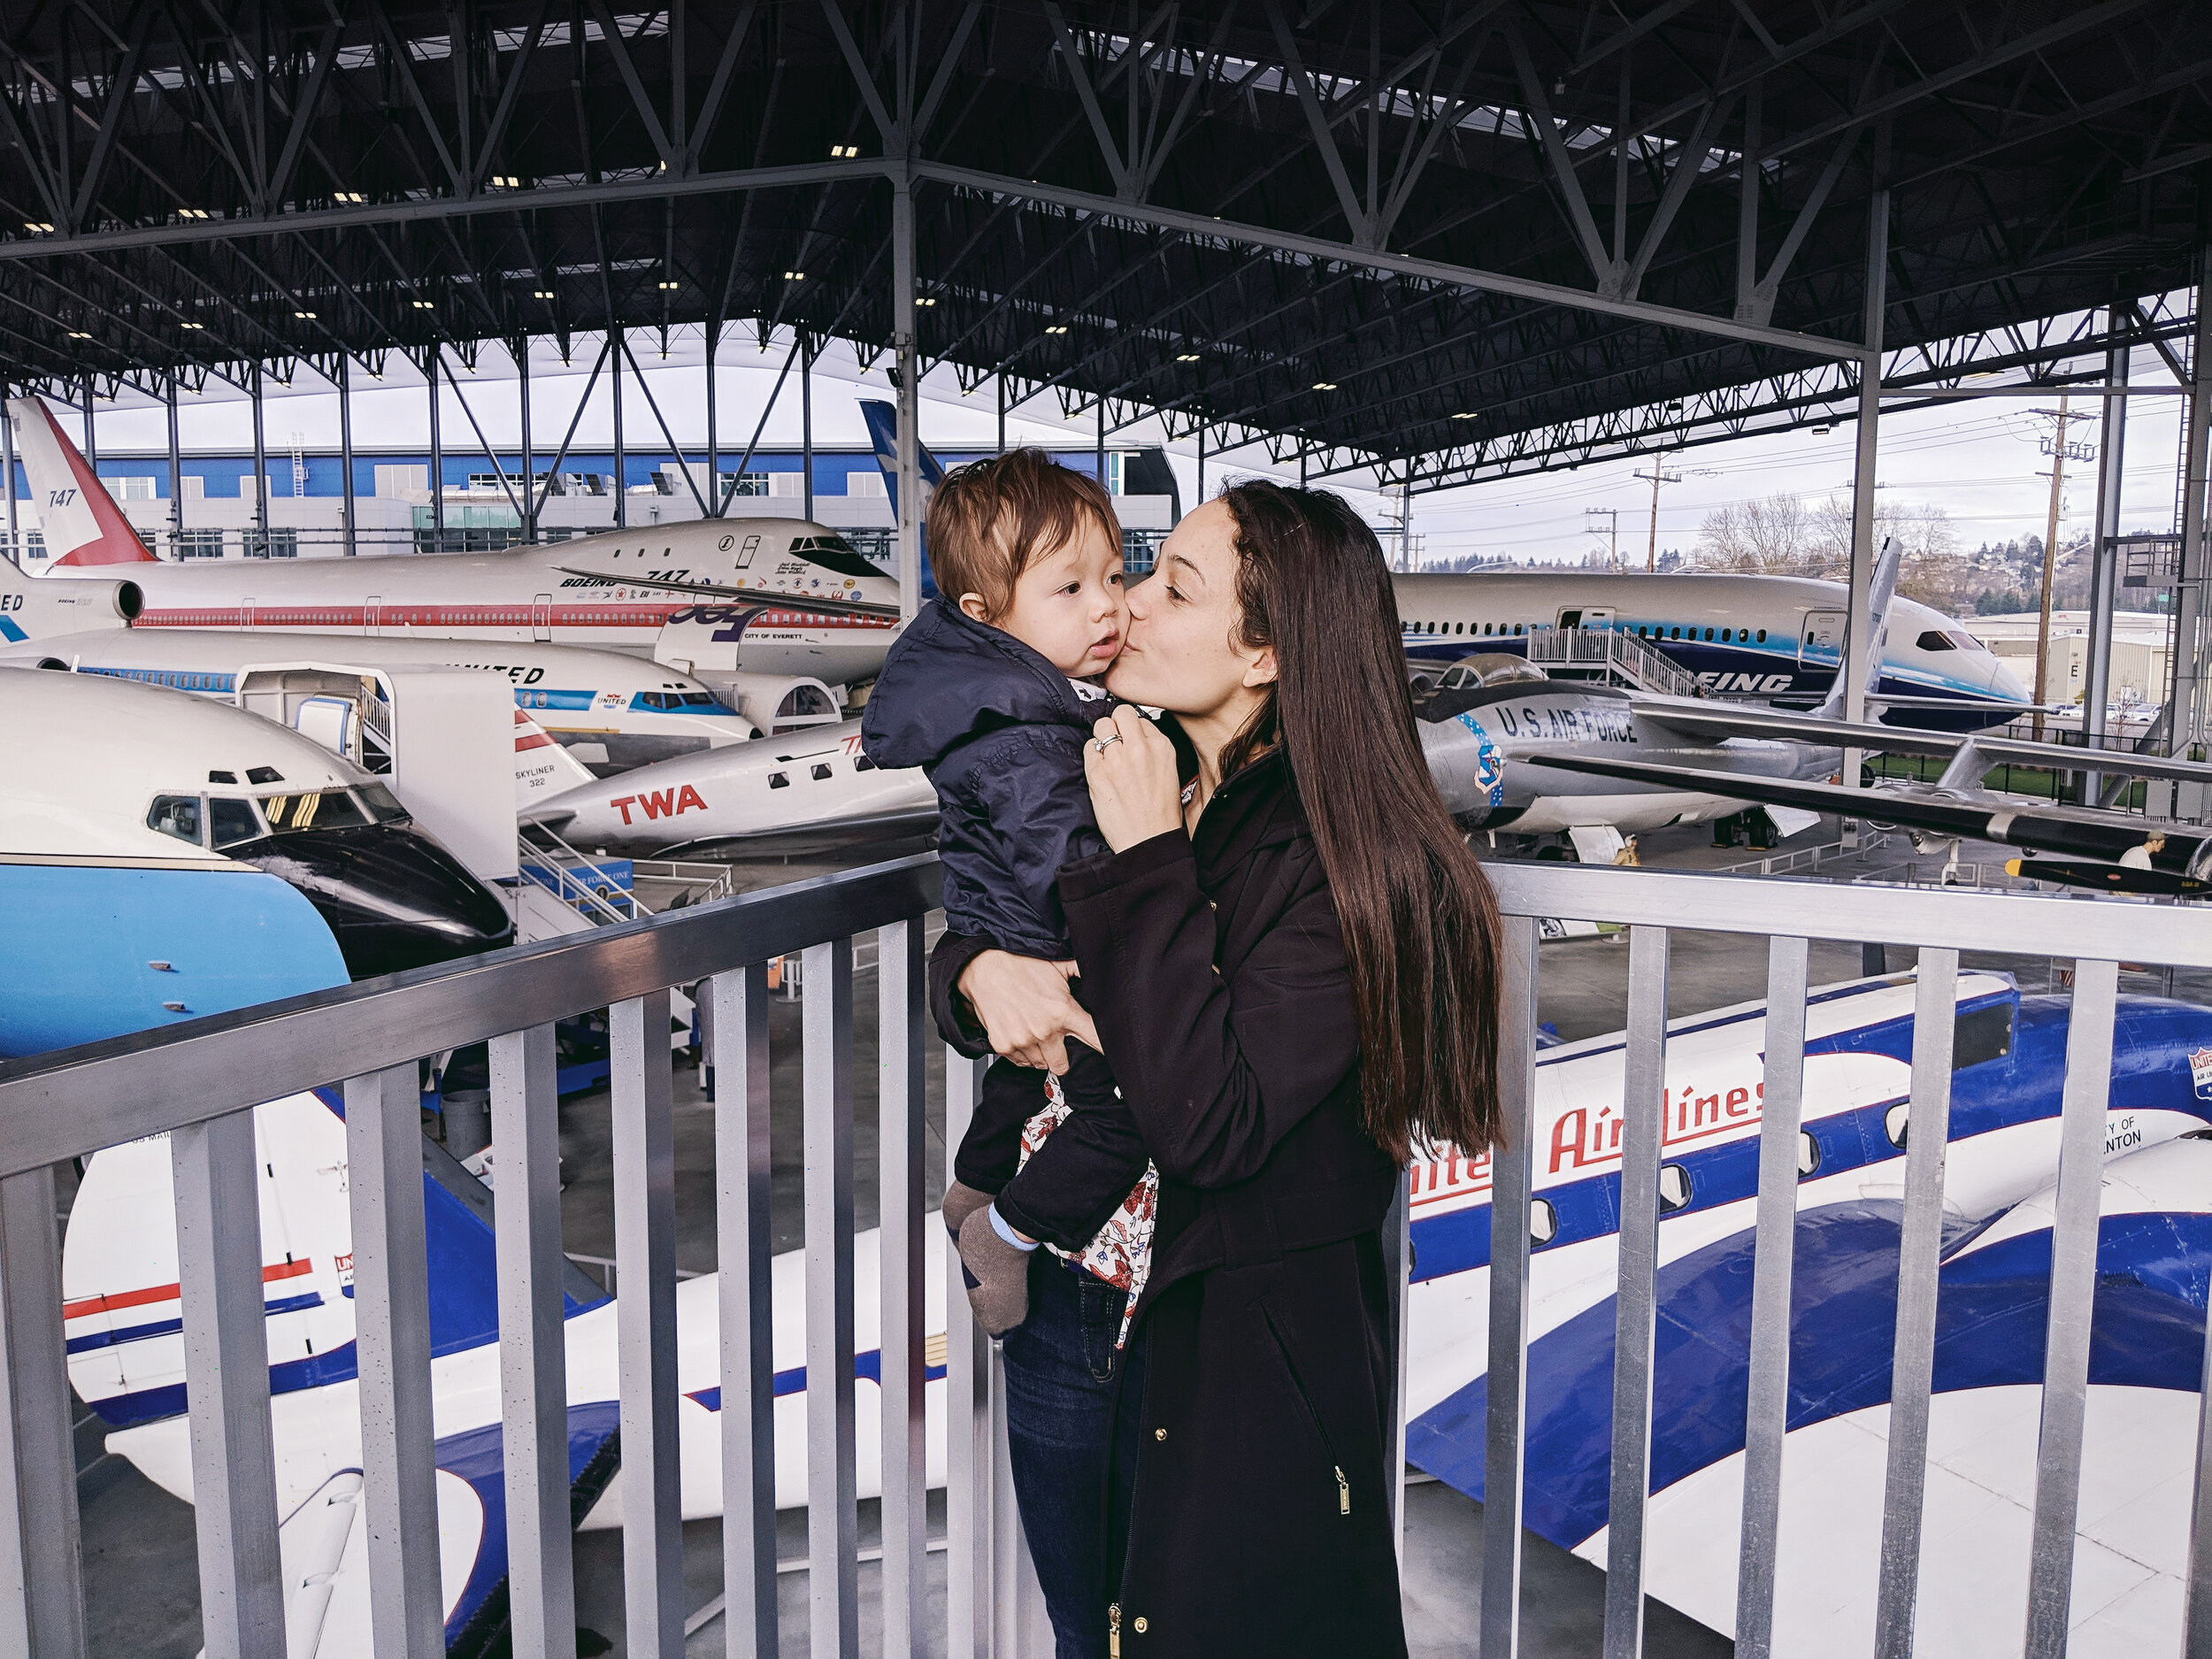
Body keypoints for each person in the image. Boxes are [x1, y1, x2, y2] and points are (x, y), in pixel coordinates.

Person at [935, 482, 1505, 1658]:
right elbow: (1004, 916)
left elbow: (1210, 1122)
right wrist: (976, 967)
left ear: (1266, 652)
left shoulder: (1343, 858)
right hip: (1064, 1303)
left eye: (1170, 584)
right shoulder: (1126, 769)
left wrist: (1148, 855)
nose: (1127, 604)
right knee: (1089, 1632)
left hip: (1219, 1338)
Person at [861, 449, 1156, 1337]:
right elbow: (1067, 858)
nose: (1109, 604)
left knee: (1022, 1085)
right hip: (1051, 938)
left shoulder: (1018, 700)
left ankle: (973, 1184)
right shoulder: (1023, 729)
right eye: (1069, 589)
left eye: (1115, 574)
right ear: (987, 615)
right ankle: (1008, 1230)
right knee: (1125, 1108)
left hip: (1014, 929)